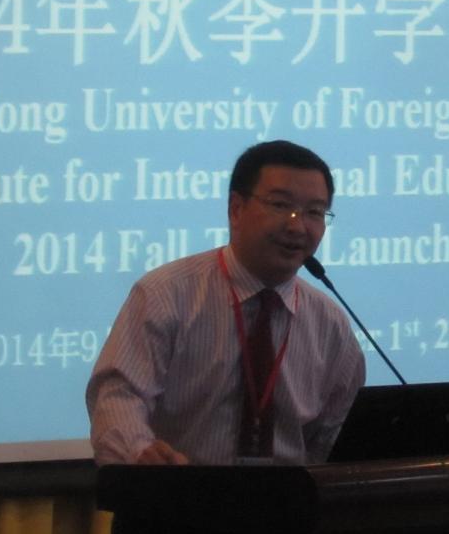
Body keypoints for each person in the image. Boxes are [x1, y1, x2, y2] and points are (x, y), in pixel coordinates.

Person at [86, 140, 365, 466]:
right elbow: (118, 396)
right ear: (236, 209)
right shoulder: (166, 295)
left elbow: (335, 435)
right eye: (280, 205)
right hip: (177, 490)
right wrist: (139, 453)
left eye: (314, 212)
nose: (297, 226)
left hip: (289, 496)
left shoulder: (330, 324)